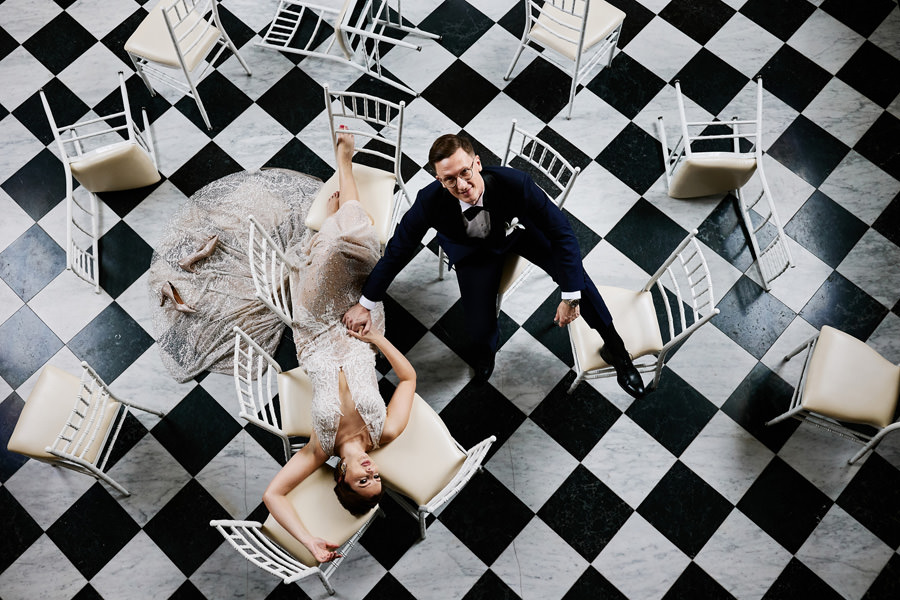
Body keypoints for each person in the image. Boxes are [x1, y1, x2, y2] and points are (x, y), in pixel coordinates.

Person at [343, 133, 646, 398]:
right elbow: (397, 252)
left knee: (578, 280)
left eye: (465, 172)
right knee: (478, 324)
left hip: (519, 235)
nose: (462, 185)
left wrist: (570, 297)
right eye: (450, 179)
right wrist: (366, 303)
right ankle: (486, 354)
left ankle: (617, 350)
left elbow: (563, 234)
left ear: (477, 163)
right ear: (439, 180)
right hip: (472, 252)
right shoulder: (428, 202)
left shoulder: (515, 183)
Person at [263, 128, 416, 563]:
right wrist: (376, 338)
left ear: (342, 478)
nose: (371, 471)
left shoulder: (320, 449)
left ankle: (338, 191)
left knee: (337, 250)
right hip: (360, 330)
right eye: (376, 478)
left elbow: (273, 494)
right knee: (360, 248)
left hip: (313, 333)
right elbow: (409, 379)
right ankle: (342, 177)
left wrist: (309, 541)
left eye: (363, 481)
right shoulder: (385, 431)